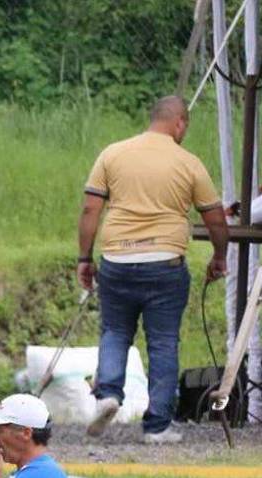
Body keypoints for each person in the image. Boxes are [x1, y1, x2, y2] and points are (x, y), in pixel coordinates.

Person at [78, 94, 229, 444]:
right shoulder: (188, 162)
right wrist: (219, 256)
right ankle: (157, 426)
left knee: (115, 331)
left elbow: (90, 210)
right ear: (179, 123)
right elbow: (216, 219)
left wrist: (85, 258)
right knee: (162, 343)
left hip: (117, 260)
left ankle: (109, 394)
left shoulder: (112, 154)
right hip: (166, 264)